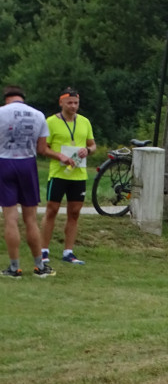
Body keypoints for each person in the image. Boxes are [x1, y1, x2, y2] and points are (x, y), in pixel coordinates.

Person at [1, 86, 55, 279]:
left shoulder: (1, 113)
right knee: (30, 218)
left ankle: (15, 268)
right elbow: (42, 148)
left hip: (4, 162)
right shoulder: (38, 115)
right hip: (27, 163)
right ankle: (39, 266)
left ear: (7, 99)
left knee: (10, 218)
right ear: (22, 99)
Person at [41, 87, 95, 265]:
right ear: (61, 103)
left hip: (78, 175)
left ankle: (68, 252)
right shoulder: (50, 122)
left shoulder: (85, 122)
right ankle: (43, 250)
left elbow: (92, 145)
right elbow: (43, 148)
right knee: (52, 210)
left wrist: (87, 150)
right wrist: (60, 156)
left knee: (74, 213)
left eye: (76, 103)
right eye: (70, 103)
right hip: (58, 174)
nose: (73, 106)